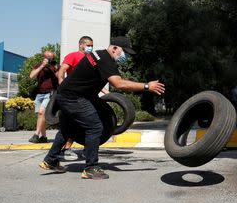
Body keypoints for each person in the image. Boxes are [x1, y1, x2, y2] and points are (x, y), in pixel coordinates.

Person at [39, 37, 165, 180]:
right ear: (115, 48)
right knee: (95, 127)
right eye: (125, 53)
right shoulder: (105, 60)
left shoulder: (99, 55)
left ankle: (51, 160)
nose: (126, 57)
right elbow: (119, 84)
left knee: (67, 128)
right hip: (74, 97)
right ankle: (91, 168)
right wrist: (147, 86)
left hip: (67, 95)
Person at [28, 50, 59, 143]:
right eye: (49, 58)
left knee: (42, 112)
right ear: (44, 58)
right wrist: (42, 66)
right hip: (39, 93)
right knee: (40, 115)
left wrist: (52, 68)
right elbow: (31, 76)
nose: (51, 60)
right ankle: (44, 137)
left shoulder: (55, 66)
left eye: (52, 58)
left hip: (50, 93)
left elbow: (59, 76)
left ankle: (36, 134)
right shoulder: (38, 65)